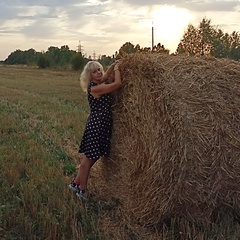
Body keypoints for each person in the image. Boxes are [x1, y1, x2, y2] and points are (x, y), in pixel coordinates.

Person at [69, 60, 122, 198]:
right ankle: (82, 189)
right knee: (89, 159)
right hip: (97, 125)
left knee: (88, 159)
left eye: (99, 69)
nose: (99, 72)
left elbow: (104, 77)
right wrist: (117, 69)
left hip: (100, 124)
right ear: (90, 76)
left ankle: (76, 183)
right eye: (95, 71)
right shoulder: (95, 88)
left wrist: (111, 67)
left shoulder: (97, 84)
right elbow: (117, 84)